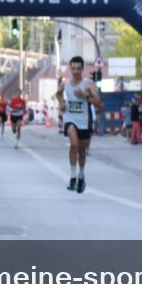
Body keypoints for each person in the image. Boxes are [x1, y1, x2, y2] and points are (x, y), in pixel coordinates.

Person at [55, 56, 103, 193]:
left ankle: (81, 176)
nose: (75, 71)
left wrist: (85, 97)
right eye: (73, 68)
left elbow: (99, 103)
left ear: (82, 69)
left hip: (84, 121)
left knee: (82, 151)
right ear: (70, 68)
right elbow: (58, 94)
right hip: (70, 118)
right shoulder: (65, 84)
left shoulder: (89, 84)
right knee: (74, 143)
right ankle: (72, 177)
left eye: (78, 69)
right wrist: (63, 103)